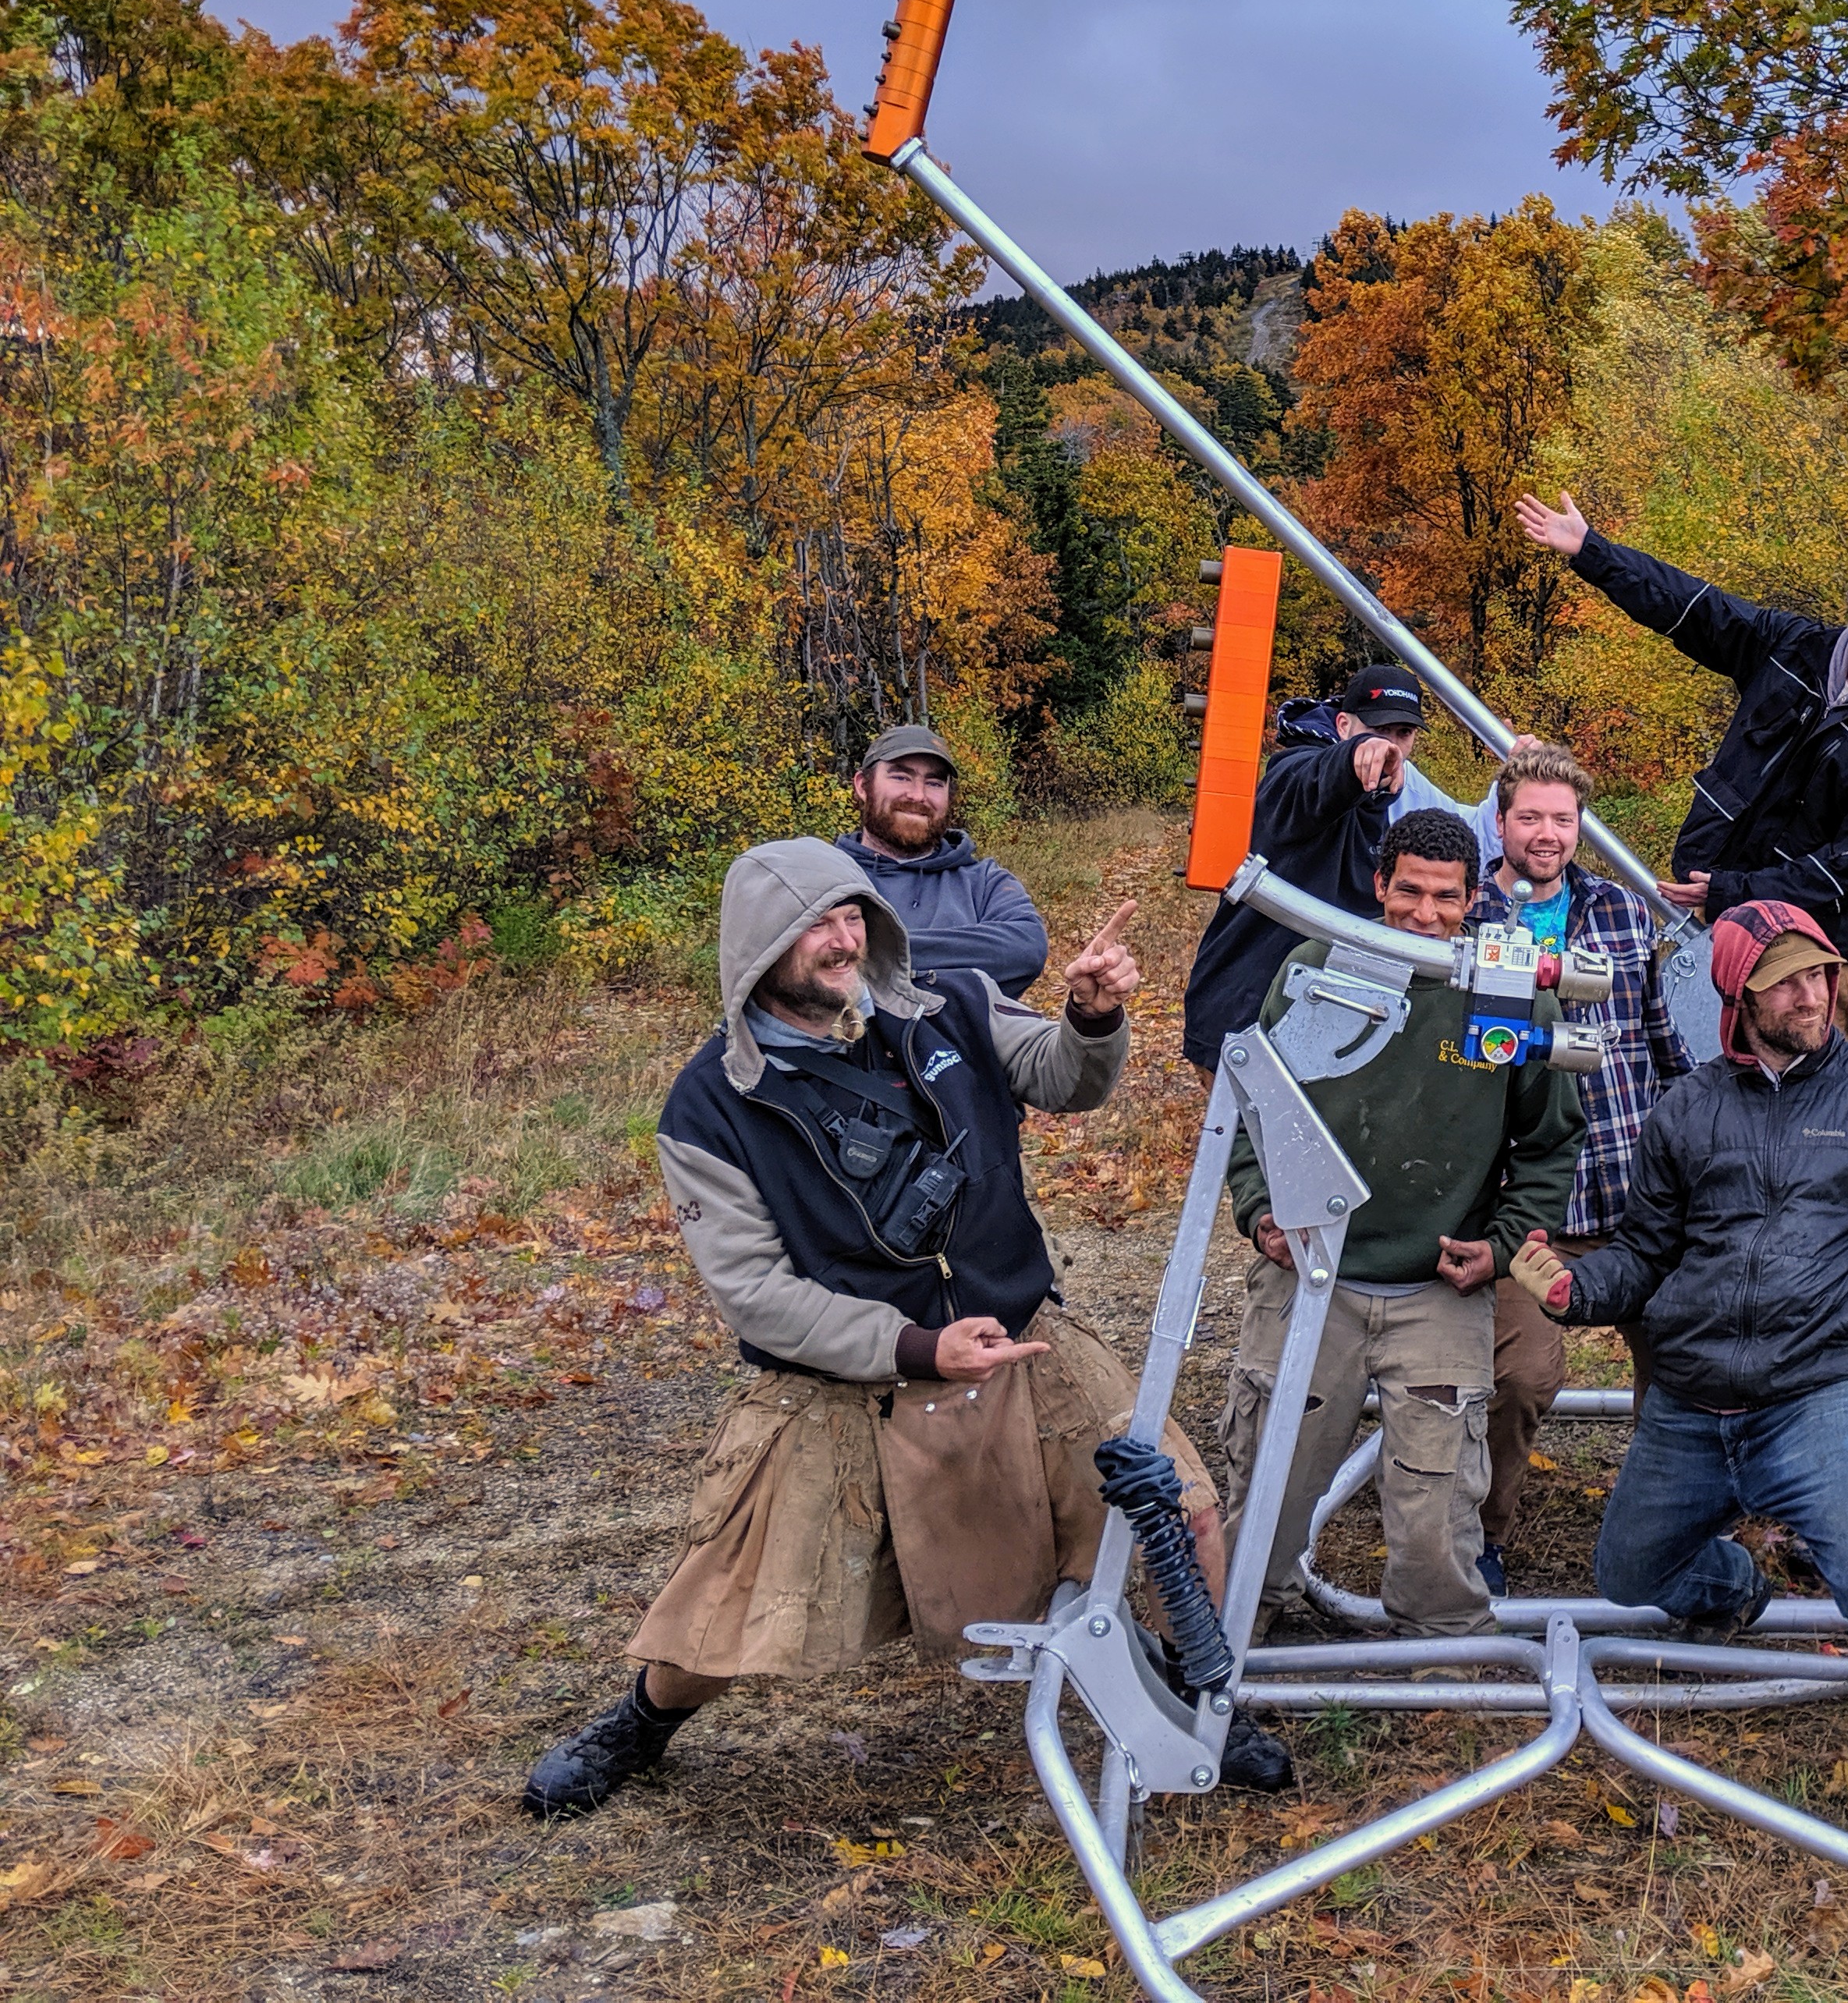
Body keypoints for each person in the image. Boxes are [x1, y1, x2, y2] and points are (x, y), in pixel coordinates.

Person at [524, 839, 1288, 1816]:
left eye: (854, 917)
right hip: (847, 1380)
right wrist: (917, 1348)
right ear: (760, 947)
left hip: (1022, 1335)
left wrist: (1093, 1017)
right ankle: (639, 1723)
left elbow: (1061, 1077)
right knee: (731, 1600)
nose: (844, 940)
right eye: (818, 925)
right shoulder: (710, 1104)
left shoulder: (950, 1004)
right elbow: (755, 1292)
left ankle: (1209, 1699)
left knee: (1179, 1506)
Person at [1512, 900, 1848, 1866]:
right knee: (1627, 1574)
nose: (1814, 996)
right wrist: (1571, 1286)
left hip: (1820, 1390)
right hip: (1690, 1395)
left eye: (1824, 974)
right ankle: (1739, 1587)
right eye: (1785, 981)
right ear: (1738, 995)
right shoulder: (1688, 1108)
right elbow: (1643, 1252)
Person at [1217, 808, 1587, 1639]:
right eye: (1409, 892)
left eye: (1446, 898)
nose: (1425, 914)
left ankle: (1444, 1639)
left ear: (1472, 901)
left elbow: (1551, 1139)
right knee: (1278, 1462)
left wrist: (1499, 1248)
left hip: (1436, 1285)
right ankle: (1238, 1621)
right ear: (1379, 886)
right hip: (1314, 1271)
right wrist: (1259, 1209)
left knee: (1437, 1490)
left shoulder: (1509, 992)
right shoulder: (1317, 971)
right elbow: (1253, 1109)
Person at [1513, 489, 1848, 960]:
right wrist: (1592, 551)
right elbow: (1694, 607)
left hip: (1802, 946)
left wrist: (1734, 890)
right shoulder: (1795, 648)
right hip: (1711, 904)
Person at [1465, 741, 1690, 1594]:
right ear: (1502, 820)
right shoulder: (1468, 916)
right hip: (1526, 1208)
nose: (1548, 833)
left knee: (1685, 1363)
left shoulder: (1627, 916)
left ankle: (1669, 1534)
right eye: (1531, 817)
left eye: (1564, 818)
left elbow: (1668, 1051)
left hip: (1635, 1201)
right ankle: (1480, 1533)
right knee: (1519, 1377)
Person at [1181, 662, 1428, 1072]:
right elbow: (1315, 784)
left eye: (1403, 734)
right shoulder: (1292, 770)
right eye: (1378, 731)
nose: (1391, 746)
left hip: (1325, 1024)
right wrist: (1353, 757)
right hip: (1246, 1011)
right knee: (1239, 1135)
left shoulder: (1397, 793)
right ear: (1344, 724)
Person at [838, 720, 1051, 996]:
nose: (918, 795)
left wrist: (862, 955)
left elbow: (1026, 948)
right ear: (862, 786)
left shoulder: (983, 883)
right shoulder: (824, 873)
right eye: (901, 777)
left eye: (934, 783)